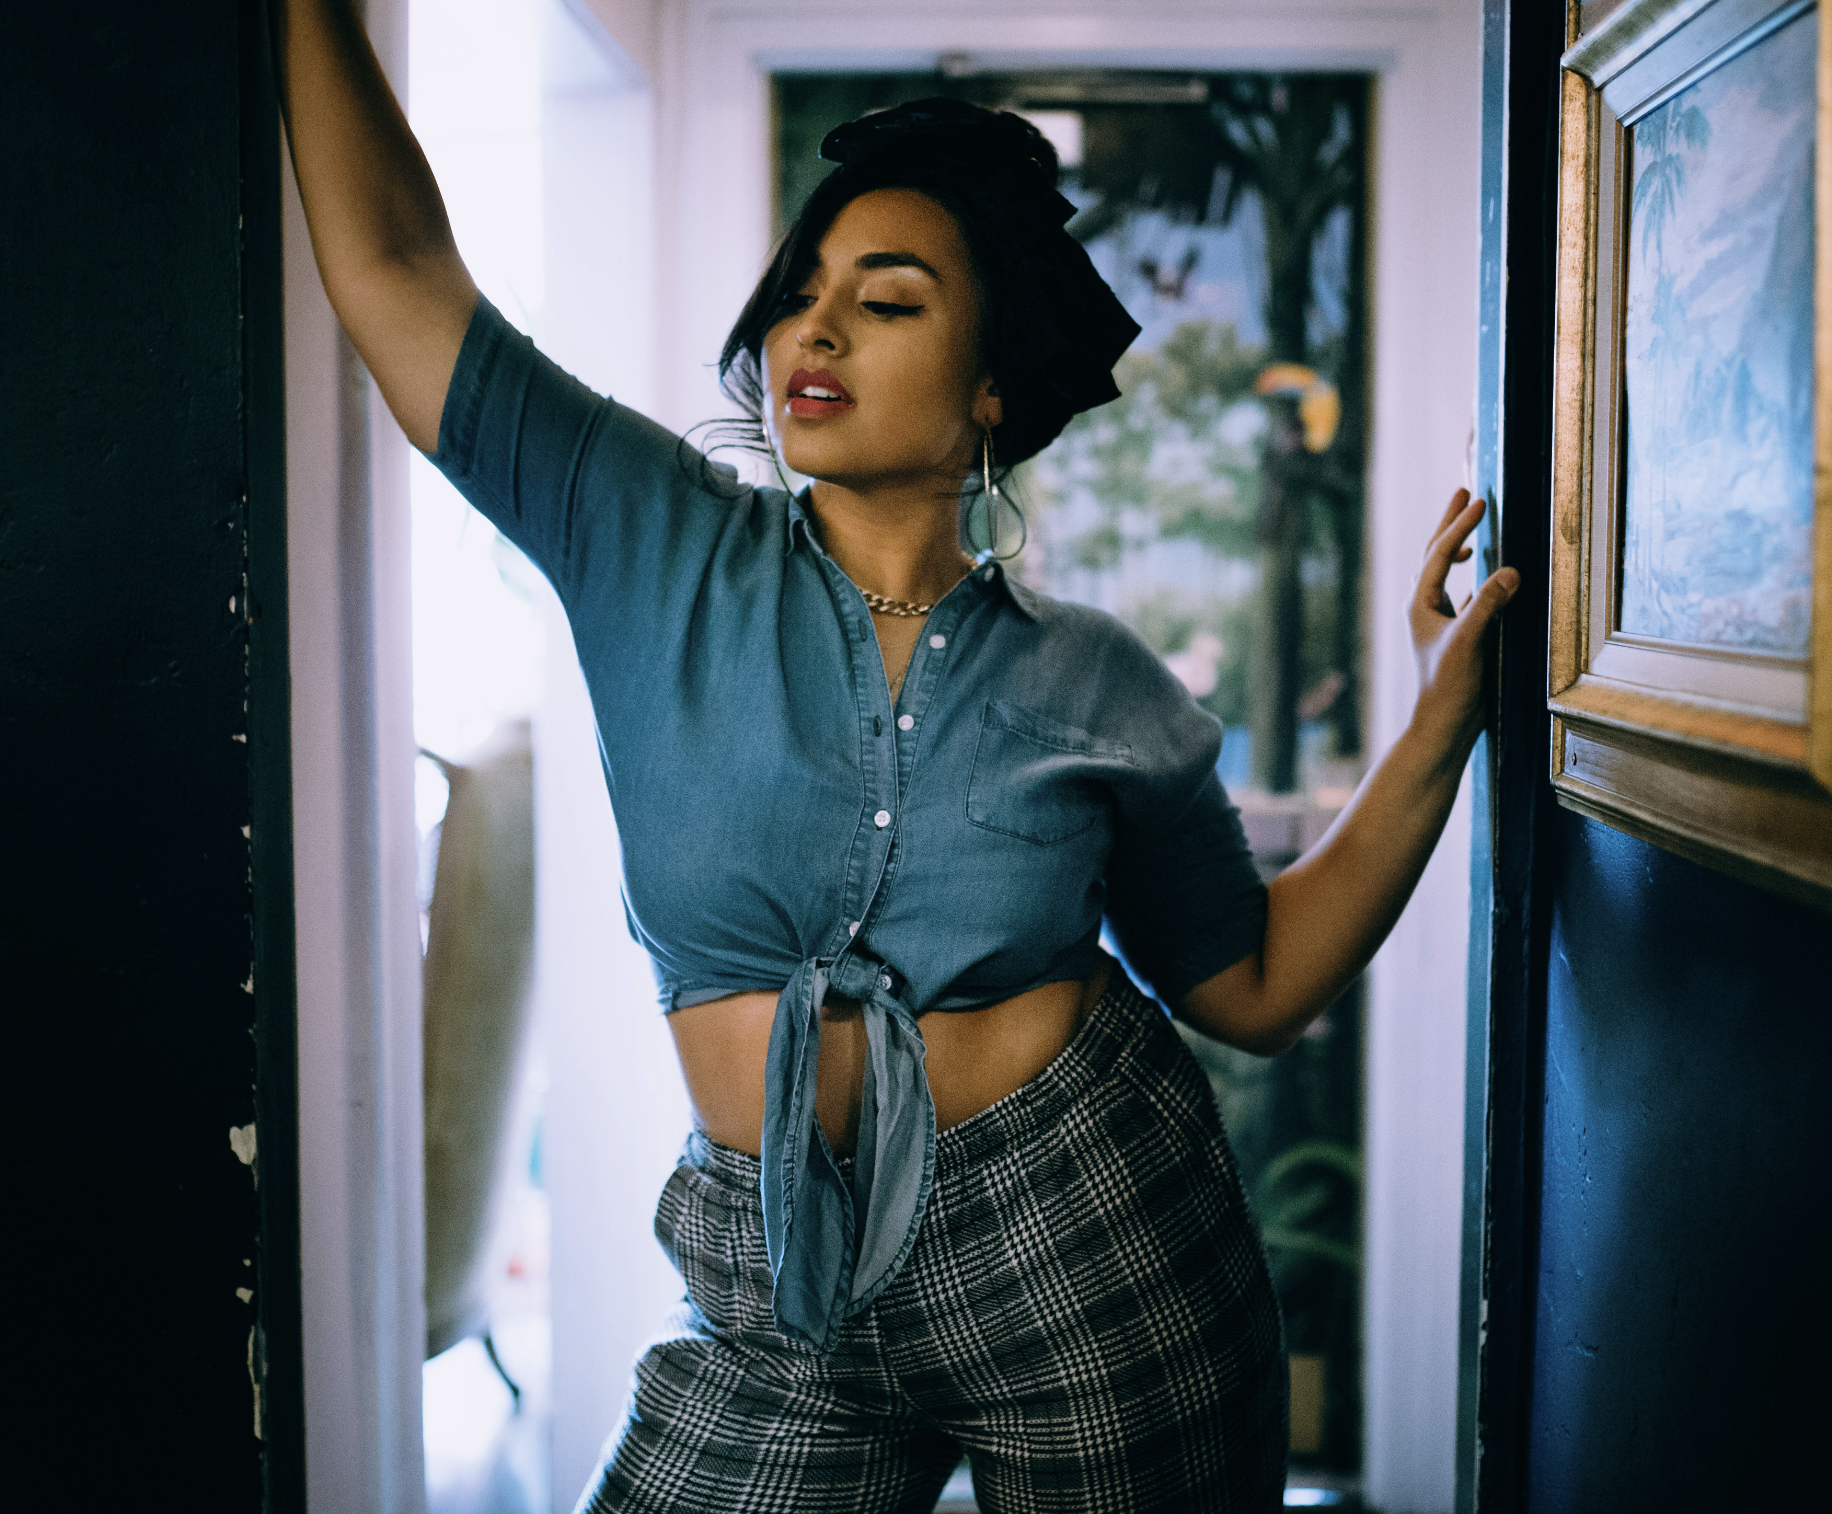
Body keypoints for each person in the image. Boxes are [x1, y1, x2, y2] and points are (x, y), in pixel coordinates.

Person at [274, 4, 1519, 1508]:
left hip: (1092, 1235)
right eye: (804, 294)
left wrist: (1441, 720)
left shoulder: (1095, 678)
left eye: (890, 300)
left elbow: (1249, 985)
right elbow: (399, 272)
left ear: (992, 386)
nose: (816, 328)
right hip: (778, 1276)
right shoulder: (647, 536)